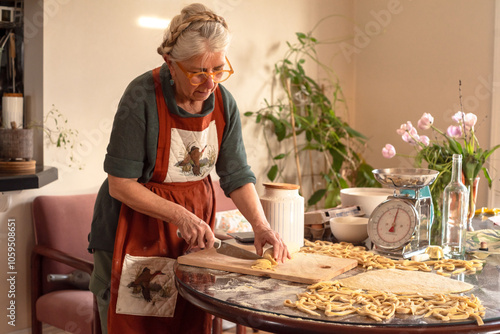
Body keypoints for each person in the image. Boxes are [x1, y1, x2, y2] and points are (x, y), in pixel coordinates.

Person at [87, 3, 290, 334]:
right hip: (133, 232)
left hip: (190, 238)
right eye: (197, 72)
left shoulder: (224, 103)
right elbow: (120, 184)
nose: (210, 83)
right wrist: (181, 216)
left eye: (219, 70)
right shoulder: (141, 98)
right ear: (171, 64)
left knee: (188, 322)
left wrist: (261, 226)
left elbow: (237, 175)